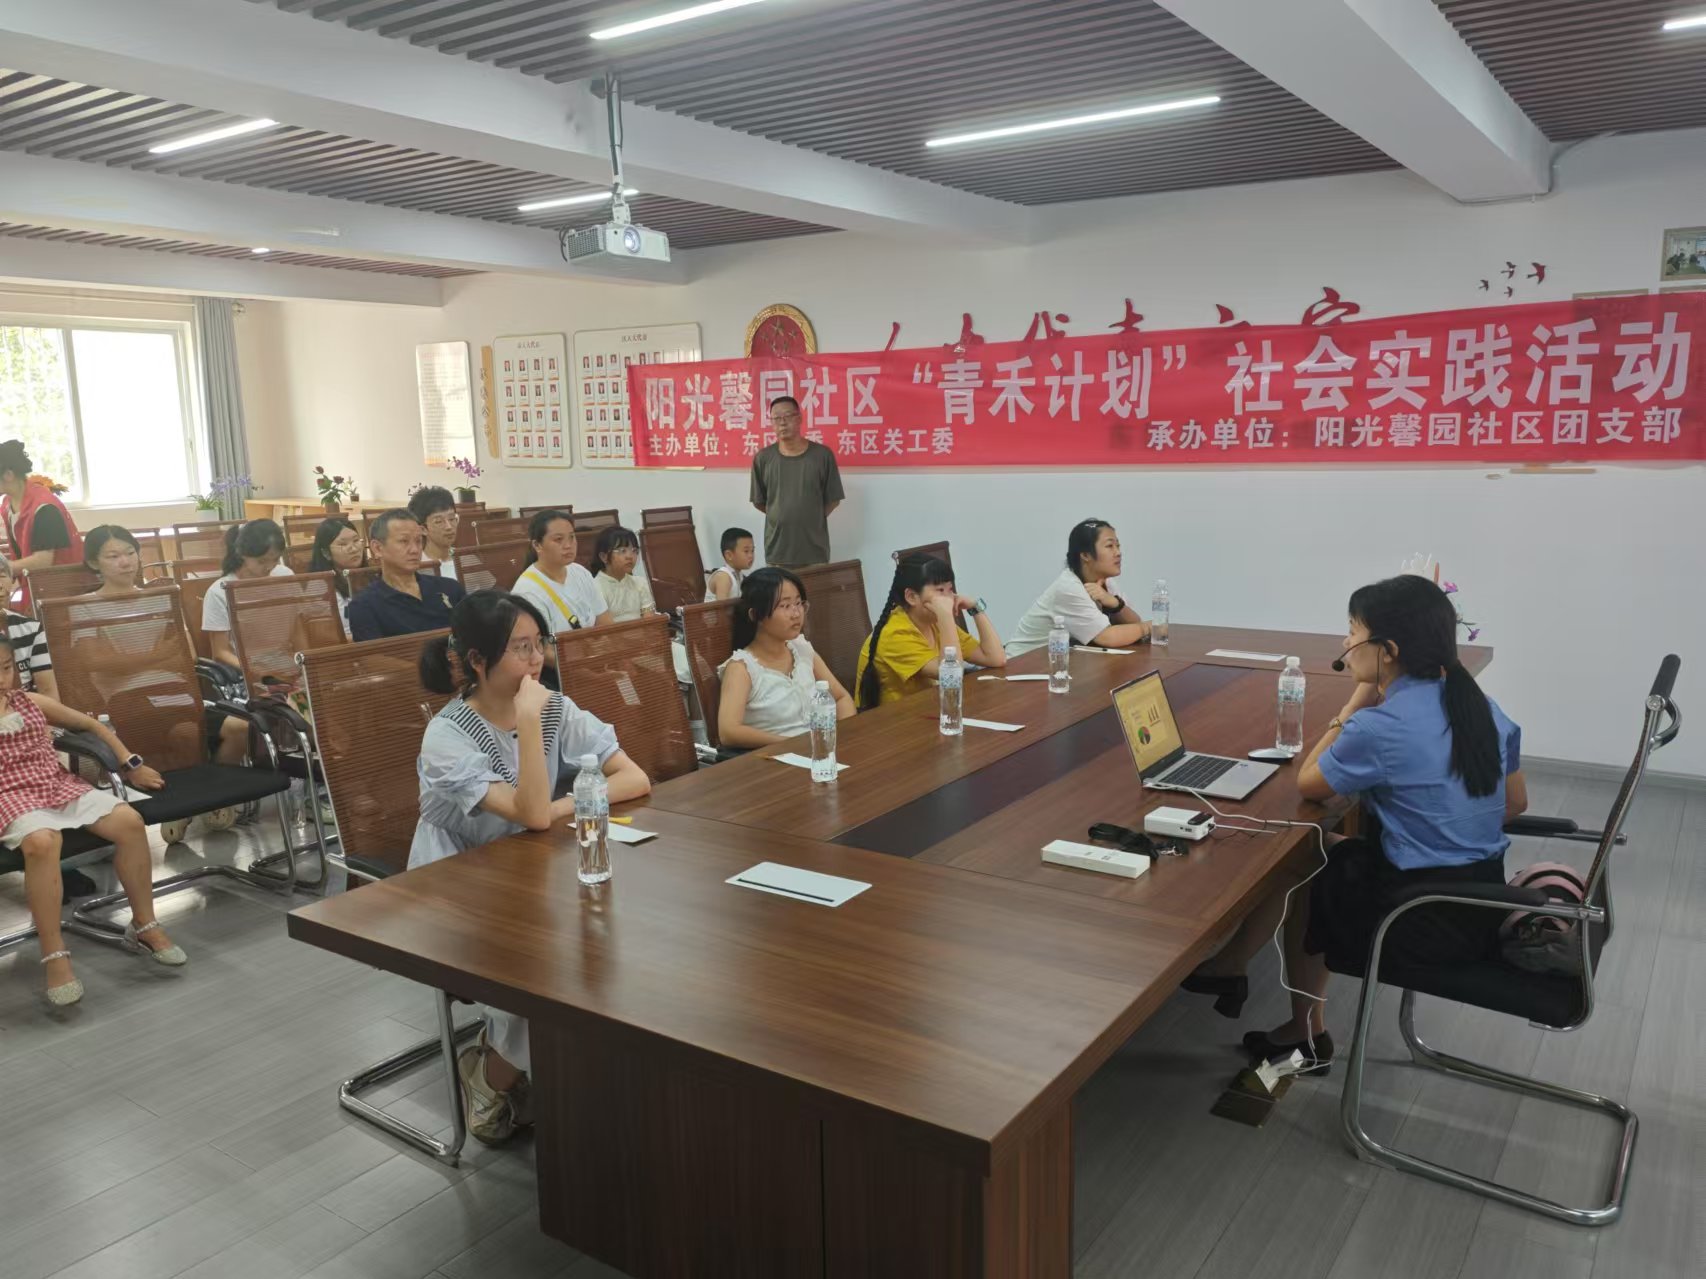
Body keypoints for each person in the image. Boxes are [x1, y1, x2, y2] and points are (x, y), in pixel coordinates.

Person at [1182, 575, 1527, 1070]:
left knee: (1312, 858)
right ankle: (1241, 972)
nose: (1345, 643)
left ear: (1387, 651)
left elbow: (1309, 783)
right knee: (1317, 850)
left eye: (1352, 631)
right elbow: (1514, 803)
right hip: (1482, 901)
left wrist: (1352, 706)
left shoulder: (1379, 727)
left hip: (1419, 918)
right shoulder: (1482, 709)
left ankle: (1290, 1016)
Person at [412, 590, 650, 1142]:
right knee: (547, 968)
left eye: (538, 643)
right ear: (477, 660)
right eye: (520, 648)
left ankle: (573, 1071)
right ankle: (490, 1075)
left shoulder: (552, 707)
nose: (536, 659)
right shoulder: (446, 736)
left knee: (611, 941)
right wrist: (528, 725)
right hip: (455, 881)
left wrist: (563, 805)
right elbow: (531, 813)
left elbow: (633, 777)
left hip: (528, 864)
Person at [0, 631, 184, 1006]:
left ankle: (144, 923)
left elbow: (92, 726)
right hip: (8, 794)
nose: (1, 679)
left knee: (129, 822)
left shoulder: (30, 701)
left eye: (5, 668)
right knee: (42, 841)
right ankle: (54, 954)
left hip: (53, 784)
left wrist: (130, 764)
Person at [717, 567, 854, 748]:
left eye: (798, 603)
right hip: (777, 757)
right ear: (755, 615)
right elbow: (728, 732)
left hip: (820, 751)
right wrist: (794, 744)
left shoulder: (801, 649)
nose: (796, 614)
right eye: (785, 606)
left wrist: (841, 738)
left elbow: (841, 698)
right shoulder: (742, 667)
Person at [854, 554, 1007, 708]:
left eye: (950, 590)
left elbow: (995, 658)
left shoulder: (934, 622)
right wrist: (946, 617)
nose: (949, 598)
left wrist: (975, 608)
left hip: (926, 708)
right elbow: (951, 678)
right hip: (892, 718)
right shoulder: (895, 633)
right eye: (940, 590)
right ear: (912, 597)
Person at [1007, 519, 1149, 657]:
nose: (1118, 553)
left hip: (1059, 663)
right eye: (1109, 546)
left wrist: (1115, 604)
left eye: (1118, 546)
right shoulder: (1068, 588)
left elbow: (1134, 623)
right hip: (1022, 664)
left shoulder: (1106, 581)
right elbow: (1107, 637)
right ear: (1086, 555)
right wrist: (1148, 627)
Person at [748, 396, 844, 569]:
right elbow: (759, 501)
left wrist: (811, 517)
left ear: (799, 419)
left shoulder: (822, 455)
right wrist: (781, 516)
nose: (782, 423)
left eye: (787, 416)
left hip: (814, 552)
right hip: (778, 552)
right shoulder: (763, 458)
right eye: (776, 418)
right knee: (778, 588)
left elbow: (833, 499)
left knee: (816, 588)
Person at [347, 509, 465, 642]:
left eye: (418, 541)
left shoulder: (450, 588)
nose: (415, 550)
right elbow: (374, 654)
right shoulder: (365, 605)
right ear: (377, 548)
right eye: (404, 541)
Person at [0, 439, 83, 613]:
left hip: (61, 590)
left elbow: (42, 562)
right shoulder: (8, 502)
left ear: (8, 475)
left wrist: (5, 568)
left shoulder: (45, 508)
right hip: (34, 586)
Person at [202, 519, 293, 668]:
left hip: (283, 661)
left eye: (276, 559)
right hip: (244, 667)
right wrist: (254, 671)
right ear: (242, 554)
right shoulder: (220, 591)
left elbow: (298, 629)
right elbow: (220, 652)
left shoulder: (285, 576)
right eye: (262, 561)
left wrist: (307, 664)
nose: (270, 566)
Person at [512, 510, 610, 649]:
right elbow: (540, 650)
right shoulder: (527, 591)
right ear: (537, 545)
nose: (568, 545)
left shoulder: (580, 572)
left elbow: (605, 621)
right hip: (563, 661)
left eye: (572, 537)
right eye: (558, 539)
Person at [0, 555, 57, 699]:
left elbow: (48, 692)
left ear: (12, 580)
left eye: (2, 575)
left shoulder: (30, 628)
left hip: (27, 709)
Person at [307, 516, 367, 637]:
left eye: (356, 540)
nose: (353, 549)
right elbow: (330, 637)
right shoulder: (320, 588)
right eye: (343, 544)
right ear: (326, 553)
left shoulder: (371, 576)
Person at [591, 525, 654, 623]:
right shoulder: (595, 588)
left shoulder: (640, 583)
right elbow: (603, 628)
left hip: (642, 632)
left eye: (634, 550)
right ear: (604, 557)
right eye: (622, 551)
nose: (630, 556)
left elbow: (649, 622)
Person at [407, 485, 460, 580]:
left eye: (452, 519)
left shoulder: (467, 559)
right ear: (423, 529)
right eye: (439, 521)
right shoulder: (416, 566)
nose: (449, 527)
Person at [705, 526, 755, 601]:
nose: (751, 555)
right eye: (746, 551)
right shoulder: (723, 577)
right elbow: (722, 607)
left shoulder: (741, 576)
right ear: (729, 555)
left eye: (752, 550)